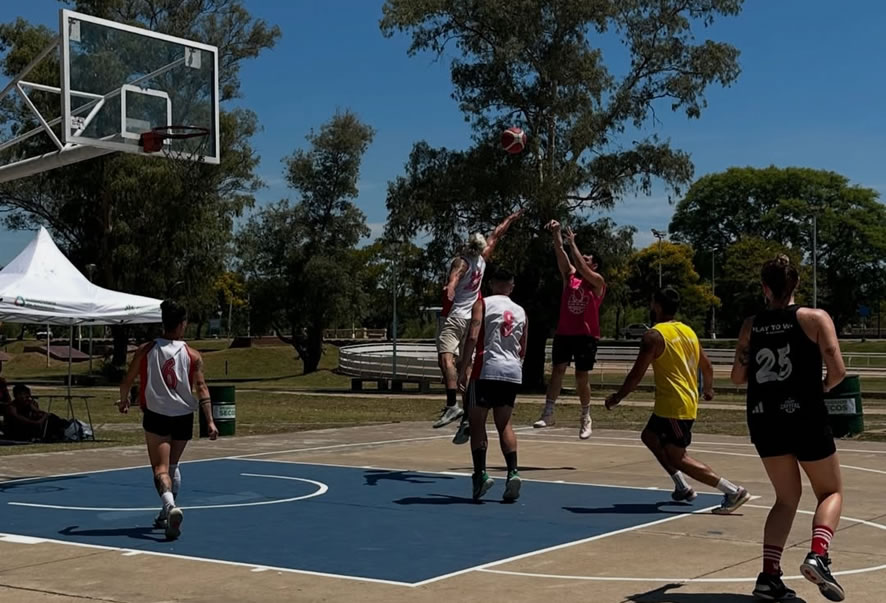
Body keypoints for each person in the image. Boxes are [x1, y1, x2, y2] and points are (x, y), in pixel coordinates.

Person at [732, 255, 847, 602]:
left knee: (786, 498)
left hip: (765, 418)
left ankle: (769, 576)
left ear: (765, 288)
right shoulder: (814, 319)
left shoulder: (751, 325)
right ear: (796, 284)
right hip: (805, 416)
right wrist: (820, 389)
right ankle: (818, 553)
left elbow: (738, 377)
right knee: (830, 492)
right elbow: (837, 371)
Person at [605, 287, 751, 515]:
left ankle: (733, 491)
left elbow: (636, 374)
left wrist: (617, 397)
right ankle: (682, 486)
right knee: (649, 436)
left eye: (652, 303)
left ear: (658, 306)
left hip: (675, 406)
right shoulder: (688, 332)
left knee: (678, 456)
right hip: (678, 403)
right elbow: (707, 365)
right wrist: (708, 389)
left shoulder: (653, 336)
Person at [117, 300, 218, 540]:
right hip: (184, 416)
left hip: (157, 415)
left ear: (163, 323)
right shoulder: (193, 355)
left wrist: (123, 400)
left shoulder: (147, 349)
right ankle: (166, 514)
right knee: (173, 465)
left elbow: (127, 379)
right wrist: (210, 421)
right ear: (183, 325)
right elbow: (202, 389)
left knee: (160, 469)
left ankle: (170, 507)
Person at [434, 208, 525, 441]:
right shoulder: (482, 261)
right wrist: (510, 219)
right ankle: (465, 417)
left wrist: (451, 287)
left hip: (455, 316)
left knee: (445, 357)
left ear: (467, 246)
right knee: (465, 368)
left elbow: (455, 276)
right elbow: (497, 233)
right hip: (473, 317)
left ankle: (452, 404)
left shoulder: (461, 262)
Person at [458, 267, 527, 501]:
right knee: (504, 423)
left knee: (477, 422)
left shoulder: (483, 303)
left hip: (487, 367)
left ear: (492, 283)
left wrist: (463, 368)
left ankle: (481, 474)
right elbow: (523, 347)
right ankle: (513, 472)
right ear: (511, 285)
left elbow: (473, 336)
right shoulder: (521, 311)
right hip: (512, 370)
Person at [534, 221, 605, 439]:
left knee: (581, 376)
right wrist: (556, 234)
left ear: (594, 266)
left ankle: (585, 416)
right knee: (557, 370)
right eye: (582, 257)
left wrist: (573, 242)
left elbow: (580, 266)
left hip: (586, 335)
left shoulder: (597, 282)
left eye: (587, 259)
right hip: (565, 332)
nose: (582, 260)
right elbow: (561, 255)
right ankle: (548, 411)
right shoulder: (570, 278)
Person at [4, 384, 69, 441]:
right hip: (16, 432)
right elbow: (26, 421)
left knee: (51, 418)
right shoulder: (12, 407)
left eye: (27, 395)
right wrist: (42, 418)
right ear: (16, 395)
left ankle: (66, 427)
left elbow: (38, 415)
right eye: (21, 394)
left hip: (28, 429)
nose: (25, 397)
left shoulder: (29, 404)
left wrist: (37, 410)